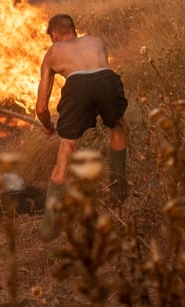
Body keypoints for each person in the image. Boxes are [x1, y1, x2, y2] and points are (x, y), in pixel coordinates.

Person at [34, 13, 129, 241]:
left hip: (77, 86)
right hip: (107, 79)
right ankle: (119, 191)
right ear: (74, 30)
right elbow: (98, 78)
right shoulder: (95, 41)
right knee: (117, 127)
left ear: (54, 35)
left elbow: (40, 108)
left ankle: (50, 227)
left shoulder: (53, 53)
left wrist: (47, 126)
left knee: (67, 150)